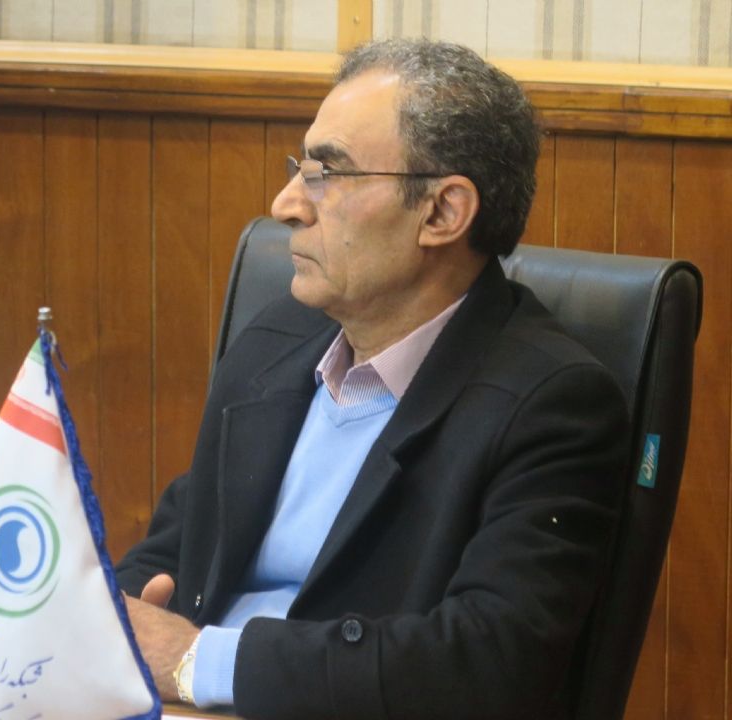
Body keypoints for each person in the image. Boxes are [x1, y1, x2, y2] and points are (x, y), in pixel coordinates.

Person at [116, 38, 628, 720]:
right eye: (300, 169)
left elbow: (486, 661)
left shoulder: (553, 405)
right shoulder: (274, 343)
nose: (286, 204)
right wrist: (110, 628)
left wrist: (195, 661)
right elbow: (174, 548)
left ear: (442, 212)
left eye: (328, 173)